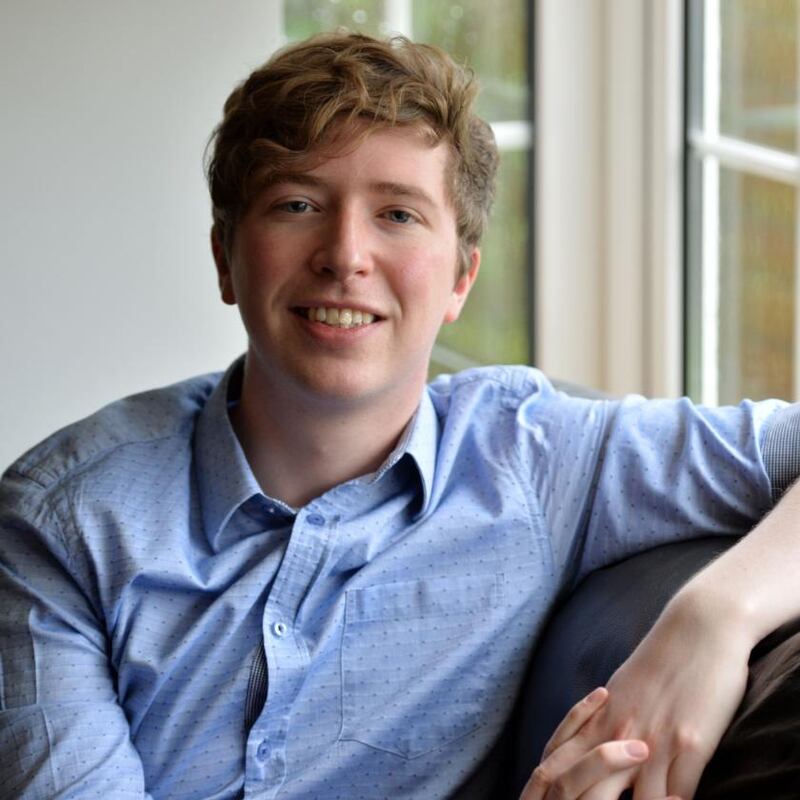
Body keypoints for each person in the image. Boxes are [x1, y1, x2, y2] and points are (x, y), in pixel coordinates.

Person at [1, 30, 799, 800]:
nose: (345, 254)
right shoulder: (63, 523)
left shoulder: (536, 458)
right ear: (224, 259)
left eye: (398, 214)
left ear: (460, 280)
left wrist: (717, 613)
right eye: (297, 203)